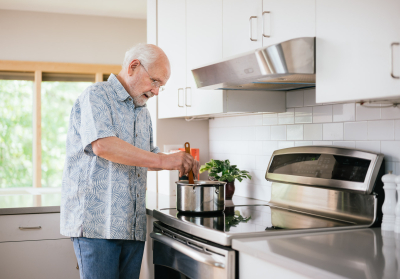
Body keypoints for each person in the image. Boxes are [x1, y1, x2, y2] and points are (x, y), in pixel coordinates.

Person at [60, 43, 199, 279]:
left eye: (161, 86)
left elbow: (147, 154)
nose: (156, 91)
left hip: (131, 227)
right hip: (98, 227)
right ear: (134, 66)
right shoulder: (96, 96)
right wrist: (163, 161)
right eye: (154, 81)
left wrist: (176, 159)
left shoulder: (142, 112)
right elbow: (103, 145)